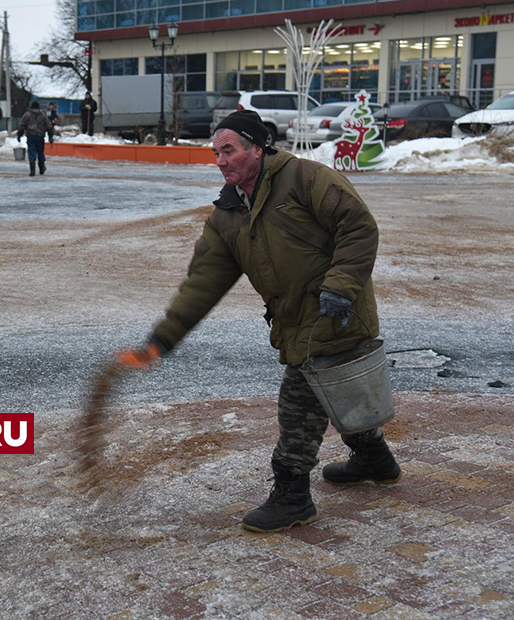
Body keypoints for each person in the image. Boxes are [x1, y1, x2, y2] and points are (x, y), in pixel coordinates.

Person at [112, 109, 400, 533]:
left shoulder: (305, 178)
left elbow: (357, 226)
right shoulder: (228, 215)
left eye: (229, 150)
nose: (221, 161)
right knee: (334, 391)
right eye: (216, 153)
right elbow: (203, 284)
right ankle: (374, 458)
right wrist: (162, 341)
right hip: (293, 323)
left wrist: (340, 286)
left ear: (256, 147)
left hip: (335, 313)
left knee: (299, 403)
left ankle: (292, 496)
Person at [17, 101, 54, 177]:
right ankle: (41, 168)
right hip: (40, 137)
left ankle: (32, 170)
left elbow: (22, 126)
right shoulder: (43, 115)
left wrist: (19, 135)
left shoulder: (27, 115)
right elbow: (49, 126)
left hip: (31, 137)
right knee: (40, 152)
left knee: (32, 152)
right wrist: (50, 136)